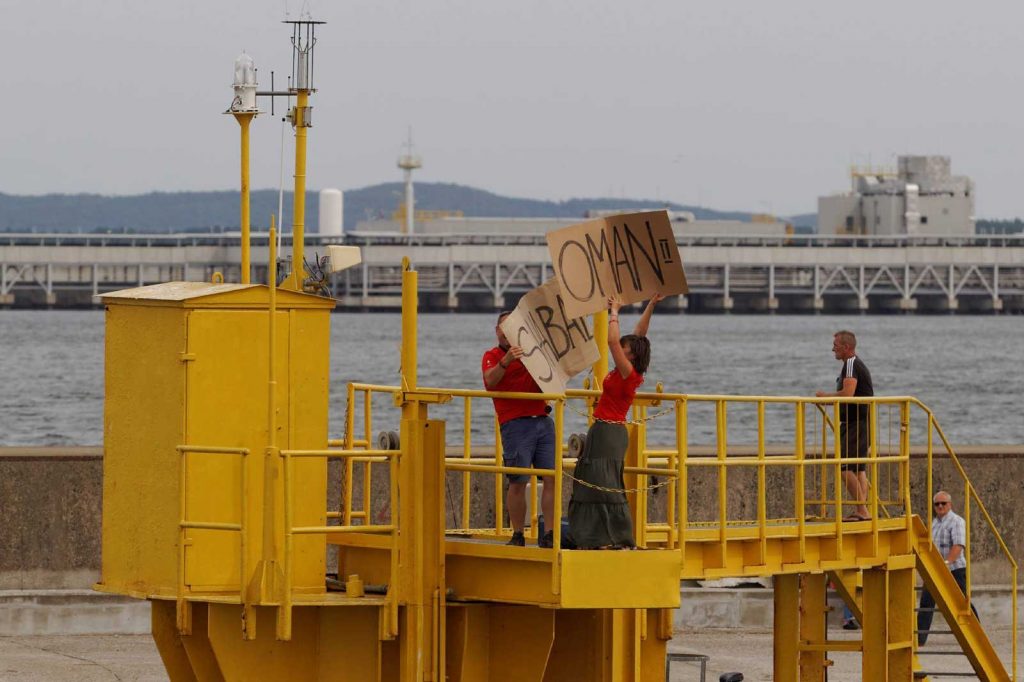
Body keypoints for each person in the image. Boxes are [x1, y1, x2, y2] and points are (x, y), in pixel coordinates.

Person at [567, 294, 662, 549]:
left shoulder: (628, 373)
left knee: (606, 483)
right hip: (602, 429)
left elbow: (611, 340)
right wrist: (651, 305)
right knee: (594, 481)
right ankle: (595, 536)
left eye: (626, 348)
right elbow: (640, 334)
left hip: (610, 432)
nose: (622, 346)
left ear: (631, 356)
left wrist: (615, 311)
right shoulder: (629, 368)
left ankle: (617, 537)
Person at [482, 311, 556, 548]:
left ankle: (550, 533)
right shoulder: (492, 356)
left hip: (543, 420)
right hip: (515, 423)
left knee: (551, 478)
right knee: (518, 481)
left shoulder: (532, 352)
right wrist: (506, 361)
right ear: (497, 331)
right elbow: (490, 382)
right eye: (504, 328)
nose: (507, 333)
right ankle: (517, 534)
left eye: (513, 328)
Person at [816, 330, 873, 521]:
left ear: (846, 347)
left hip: (855, 423)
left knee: (845, 467)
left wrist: (825, 397)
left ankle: (862, 510)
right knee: (859, 468)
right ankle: (862, 510)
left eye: (836, 345)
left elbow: (848, 393)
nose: (833, 349)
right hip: (862, 422)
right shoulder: (854, 364)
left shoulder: (850, 364)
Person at [918, 491, 978, 646]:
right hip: (935, 570)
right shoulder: (934, 523)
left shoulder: (957, 521)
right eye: (937, 504)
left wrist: (946, 563)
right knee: (926, 603)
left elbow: (958, 546)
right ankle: (920, 639)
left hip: (955, 569)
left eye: (943, 503)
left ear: (949, 504)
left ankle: (977, 633)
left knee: (962, 602)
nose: (940, 506)